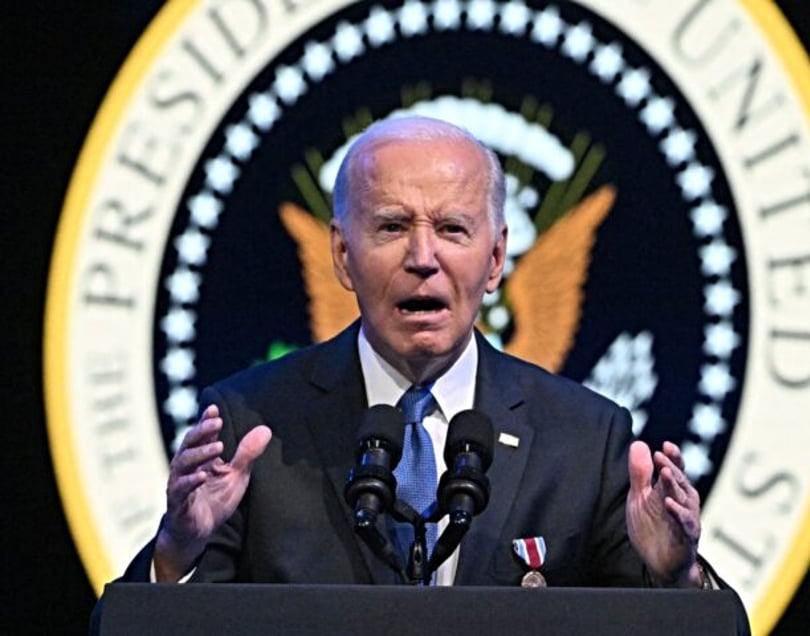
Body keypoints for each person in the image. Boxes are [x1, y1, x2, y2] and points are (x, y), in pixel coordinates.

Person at [120, 116, 748, 629]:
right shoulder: (251, 424)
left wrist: (677, 578)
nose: (424, 258)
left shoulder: (585, 438)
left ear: (496, 256)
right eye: (392, 227)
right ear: (343, 254)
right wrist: (177, 553)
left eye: (452, 229)